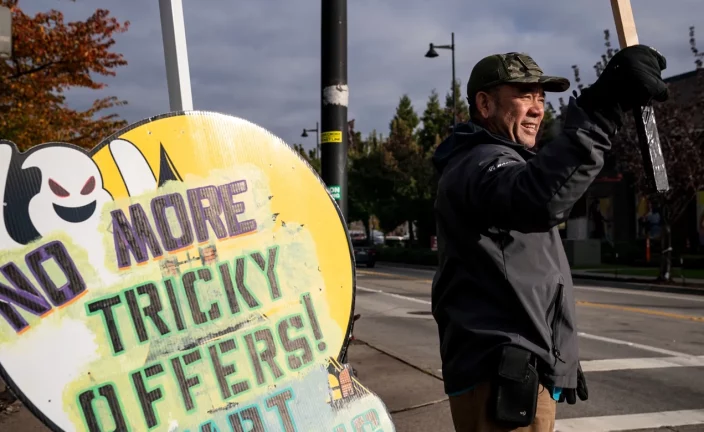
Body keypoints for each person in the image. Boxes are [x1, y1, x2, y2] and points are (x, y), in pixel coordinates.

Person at [431, 45, 668, 431]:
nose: (538, 109)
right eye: (524, 96)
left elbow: (530, 274)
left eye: (541, 97)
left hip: (518, 371)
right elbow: (538, 198)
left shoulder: (495, 161)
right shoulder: (481, 163)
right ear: (485, 104)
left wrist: (558, 357)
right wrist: (601, 108)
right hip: (501, 376)